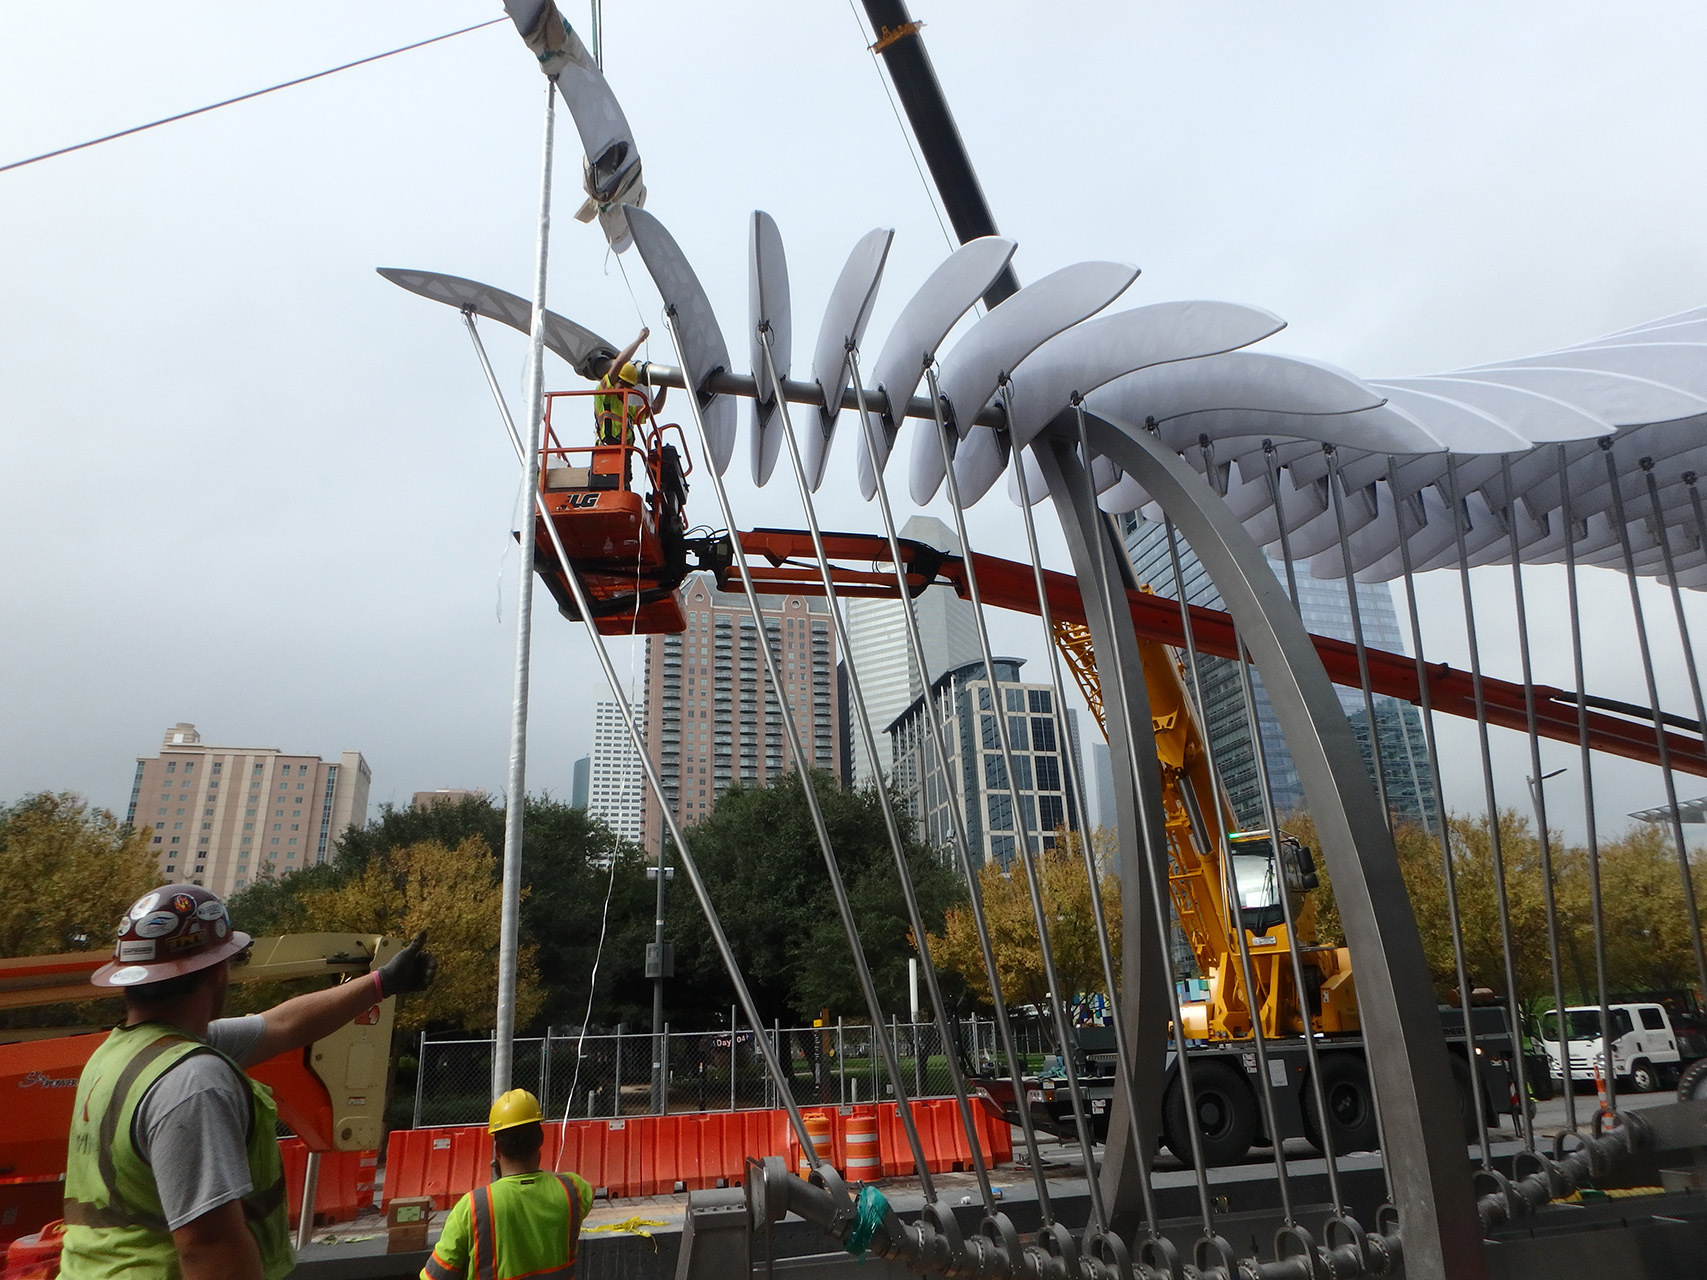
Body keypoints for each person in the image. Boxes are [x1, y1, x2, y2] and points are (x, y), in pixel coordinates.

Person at [60, 884, 437, 1280]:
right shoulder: (192, 1080)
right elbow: (209, 1247)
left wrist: (381, 984)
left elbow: (283, 1024)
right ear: (217, 971)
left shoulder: (120, 1056)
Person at [422, 1089, 592, 1280]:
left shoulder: (473, 1208)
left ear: (497, 1149)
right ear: (540, 1141)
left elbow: (434, 1276)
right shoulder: (573, 1190)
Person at [593, 327, 666, 449]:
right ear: (615, 380)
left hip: (624, 455)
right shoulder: (604, 395)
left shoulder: (628, 411)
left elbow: (655, 409)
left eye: (629, 386)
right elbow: (619, 362)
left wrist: (665, 384)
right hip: (606, 450)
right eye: (622, 384)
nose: (625, 389)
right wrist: (639, 340)